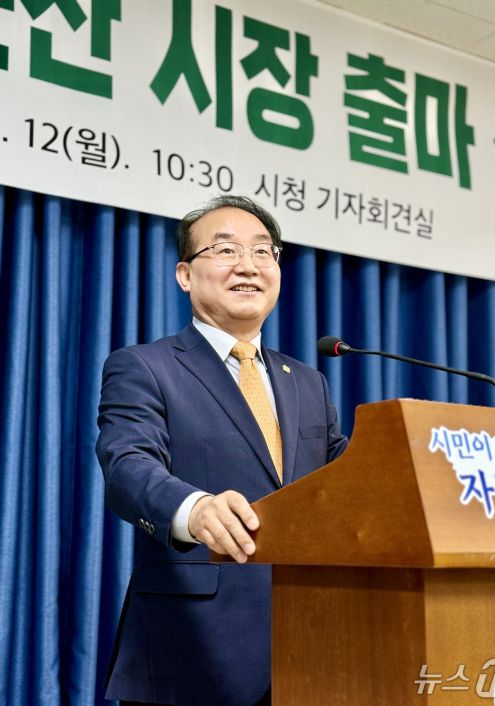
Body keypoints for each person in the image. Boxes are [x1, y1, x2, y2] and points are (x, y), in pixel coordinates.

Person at [96, 195, 348, 706]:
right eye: (226, 250)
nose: (248, 266)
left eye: (262, 251)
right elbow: (128, 466)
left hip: (310, 646)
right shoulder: (145, 366)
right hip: (191, 650)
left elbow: (346, 480)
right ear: (185, 275)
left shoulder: (307, 381)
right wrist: (195, 509)